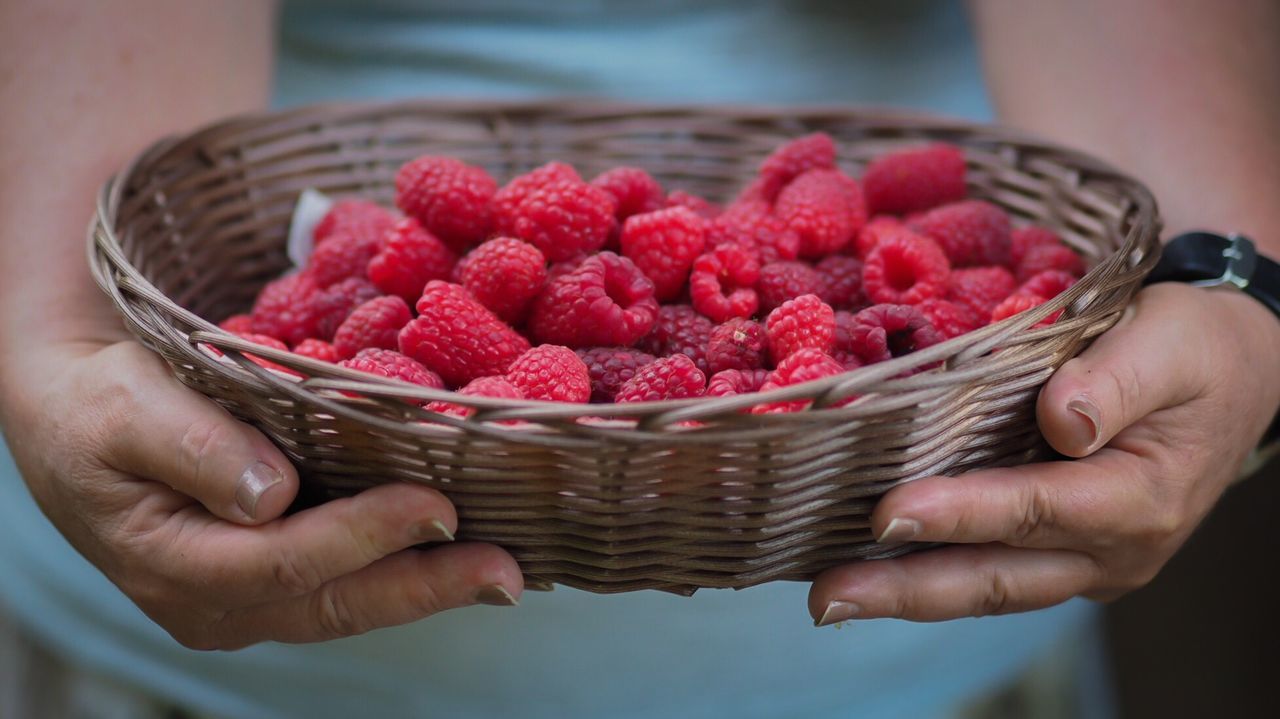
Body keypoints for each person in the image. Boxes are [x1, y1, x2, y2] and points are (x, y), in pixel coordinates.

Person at [1, 0, 1277, 717]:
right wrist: (53, 350)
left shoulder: (800, 255)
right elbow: (99, 226)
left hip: (926, 681)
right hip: (196, 686)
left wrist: (1225, 293)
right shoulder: (457, 259)